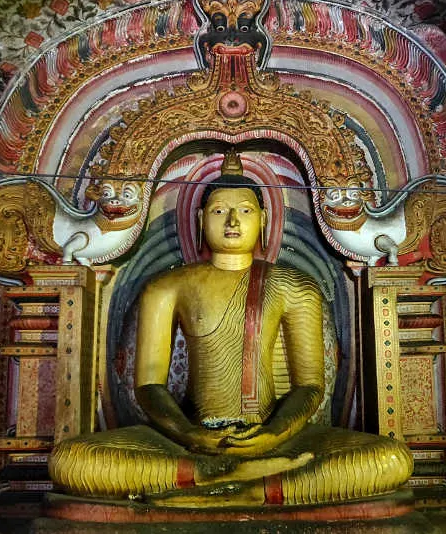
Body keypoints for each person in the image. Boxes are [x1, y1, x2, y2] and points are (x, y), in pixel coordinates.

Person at [49, 151, 413, 507]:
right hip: (188, 441)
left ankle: (219, 484)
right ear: (200, 218)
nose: (232, 222)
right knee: (71, 460)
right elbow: (148, 385)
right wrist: (189, 434)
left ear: (264, 218)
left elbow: (310, 386)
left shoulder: (294, 285)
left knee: (390, 459)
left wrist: (273, 433)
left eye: (244, 211)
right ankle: (238, 480)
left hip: (280, 440)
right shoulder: (166, 288)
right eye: (220, 211)